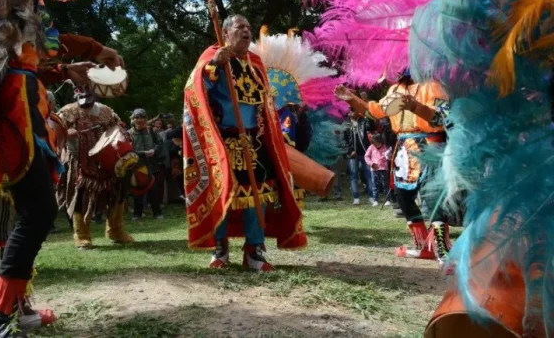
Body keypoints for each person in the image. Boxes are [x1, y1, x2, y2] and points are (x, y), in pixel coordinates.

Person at [0, 0, 116, 336]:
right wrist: (88, 51)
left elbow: (30, 52)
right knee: (30, 212)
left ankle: (14, 309)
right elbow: (20, 48)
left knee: (17, 215)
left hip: (19, 100)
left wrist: (74, 62)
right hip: (10, 107)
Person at [183, 14, 307, 271]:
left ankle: (255, 250)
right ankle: (220, 248)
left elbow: (266, 106)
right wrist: (214, 67)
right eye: (240, 28)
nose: (246, 31)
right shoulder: (213, 57)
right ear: (226, 33)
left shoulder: (255, 62)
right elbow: (194, 90)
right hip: (224, 140)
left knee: (258, 195)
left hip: (255, 140)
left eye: (249, 28)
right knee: (225, 193)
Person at [335, 71, 451, 264]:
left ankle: (442, 248)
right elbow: (375, 111)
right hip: (404, 150)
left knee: (434, 198)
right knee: (403, 198)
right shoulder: (395, 89)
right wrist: (352, 99)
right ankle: (423, 245)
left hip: (431, 148)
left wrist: (415, 106)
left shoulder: (435, 86)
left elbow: (442, 119)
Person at [57, 88, 134, 249]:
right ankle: (82, 235)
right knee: (80, 195)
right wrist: (66, 132)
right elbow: (54, 130)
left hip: (108, 160)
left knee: (116, 192)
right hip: (80, 160)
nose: (85, 101)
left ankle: (115, 230)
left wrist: (122, 136)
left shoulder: (106, 111)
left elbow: (118, 128)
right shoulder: (67, 111)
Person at [128, 108, 164, 220]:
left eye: (142, 117)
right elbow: (128, 151)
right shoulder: (129, 133)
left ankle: (157, 213)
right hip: (137, 166)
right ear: (133, 120)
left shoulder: (151, 131)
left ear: (146, 119)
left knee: (154, 189)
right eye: (136, 118)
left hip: (152, 164)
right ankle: (137, 214)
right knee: (138, 190)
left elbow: (160, 143)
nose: (139, 120)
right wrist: (143, 153)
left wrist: (155, 150)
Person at [343, 111, 374, 205]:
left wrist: (365, 112)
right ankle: (356, 197)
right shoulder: (346, 124)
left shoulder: (363, 121)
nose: (353, 113)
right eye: (350, 111)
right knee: (353, 176)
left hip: (365, 153)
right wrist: (350, 151)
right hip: (352, 155)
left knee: (368, 175)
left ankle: (372, 196)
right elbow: (344, 140)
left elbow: (371, 126)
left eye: (354, 111)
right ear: (348, 113)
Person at [364, 133, 390, 205]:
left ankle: (387, 199)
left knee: (385, 184)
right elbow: (366, 156)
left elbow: (388, 157)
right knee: (375, 185)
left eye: (376, 144)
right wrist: (371, 164)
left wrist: (387, 156)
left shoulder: (385, 147)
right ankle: (375, 200)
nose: (375, 145)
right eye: (374, 144)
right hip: (374, 169)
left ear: (380, 142)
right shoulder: (371, 147)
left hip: (383, 169)